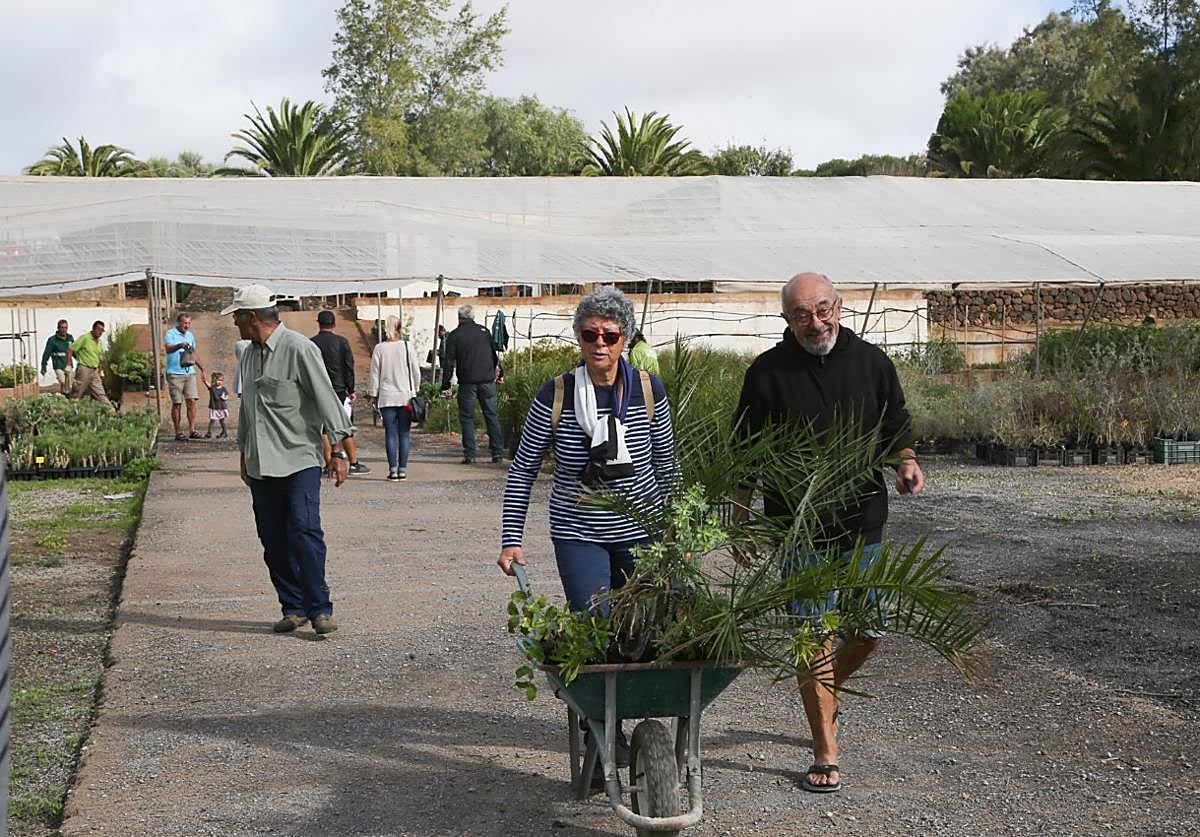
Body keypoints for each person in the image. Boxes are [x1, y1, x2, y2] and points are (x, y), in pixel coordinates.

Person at [732, 271, 924, 795]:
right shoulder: (767, 373)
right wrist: (740, 514)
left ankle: (823, 691)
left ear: (839, 306)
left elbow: (896, 425)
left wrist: (906, 462)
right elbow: (744, 446)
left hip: (862, 521)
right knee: (812, 633)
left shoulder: (872, 363)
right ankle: (825, 747)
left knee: (870, 630)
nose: (814, 322)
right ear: (786, 319)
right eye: (801, 313)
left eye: (822, 309)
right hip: (798, 528)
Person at [498, 286, 679, 611]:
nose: (599, 343)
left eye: (609, 336)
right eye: (589, 334)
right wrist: (511, 539)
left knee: (643, 630)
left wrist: (678, 530)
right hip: (578, 532)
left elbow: (666, 465)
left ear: (625, 339)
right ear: (578, 337)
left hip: (642, 529)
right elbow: (524, 468)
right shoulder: (555, 395)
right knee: (592, 624)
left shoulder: (649, 390)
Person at [224, 284, 356, 636]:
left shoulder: (300, 349)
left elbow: (326, 397)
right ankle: (293, 606)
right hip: (260, 461)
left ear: (252, 318)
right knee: (272, 538)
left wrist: (340, 450)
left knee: (304, 530)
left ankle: (319, 609)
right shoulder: (249, 354)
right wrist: (243, 452)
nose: (234, 322)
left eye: (237, 316)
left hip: (299, 458)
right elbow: (249, 409)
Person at [440, 305, 505, 464]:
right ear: (473, 317)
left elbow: (448, 363)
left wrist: (445, 384)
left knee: (467, 418)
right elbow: (493, 355)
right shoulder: (484, 332)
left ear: (459, 317)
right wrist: (500, 373)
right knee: (491, 415)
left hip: (467, 383)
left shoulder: (454, 336)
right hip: (487, 381)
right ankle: (497, 452)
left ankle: (470, 454)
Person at [312, 310, 369, 475]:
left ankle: (328, 462)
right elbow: (348, 367)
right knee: (345, 427)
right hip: (339, 390)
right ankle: (353, 463)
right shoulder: (342, 342)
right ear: (334, 324)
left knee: (323, 429)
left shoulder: (311, 343)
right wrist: (351, 389)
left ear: (319, 324)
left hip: (319, 391)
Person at [367, 320, 422, 482]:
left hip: (386, 396)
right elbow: (416, 371)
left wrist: (372, 394)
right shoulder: (407, 347)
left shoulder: (379, 348)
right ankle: (402, 469)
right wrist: (415, 390)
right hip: (405, 396)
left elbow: (374, 374)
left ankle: (392, 470)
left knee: (390, 433)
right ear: (400, 329)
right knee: (404, 433)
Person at [164, 312, 202, 440]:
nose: (187, 325)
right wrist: (179, 345)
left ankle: (192, 429)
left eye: (189, 323)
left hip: (189, 372)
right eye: (185, 323)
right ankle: (178, 431)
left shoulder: (190, 335)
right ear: (179, 322)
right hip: (175, 373)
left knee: (192, 400)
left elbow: (194, 353)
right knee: (177, 403)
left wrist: (202, 368)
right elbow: (168, 349)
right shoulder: (171, 334)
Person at [65, 321, 112, 406]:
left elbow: (100, 357)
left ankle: (111, 411)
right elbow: (70, 349)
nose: (100, 332)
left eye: (102, 330)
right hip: (84, 369)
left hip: (94, 371)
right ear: (93, 329)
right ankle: (70, 411)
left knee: (100, 393)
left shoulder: (99, 342)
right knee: (77, 392)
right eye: (98, 329)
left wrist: (100, 370)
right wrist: (68, 364)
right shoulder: (85, 338)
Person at [40, 319, 74, 392]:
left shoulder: (70, 338)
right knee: (63, 382)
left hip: (68, 364)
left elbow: (73, 351)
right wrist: (43, 366)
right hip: (58, 365)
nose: (64, 330)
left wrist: (80, 360)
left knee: (69, 384)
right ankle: (65, 395)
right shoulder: (52, 340)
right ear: (58, 328)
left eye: (66, 327)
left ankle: (64, 397)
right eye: (62, 327)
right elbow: (47, 353)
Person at [201, 371, 230, 438]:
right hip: (214, 407)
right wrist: (204, 381)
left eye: (221, 380)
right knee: (212, 420)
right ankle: (209, 433)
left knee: (222, 421)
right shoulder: (212, 388)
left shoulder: (223, 388)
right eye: (218, 380)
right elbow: (208, 385)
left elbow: (227, 396)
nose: (219, 382)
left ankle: (225, 432)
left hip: (222, 407)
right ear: (214, 380)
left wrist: (224, 398)